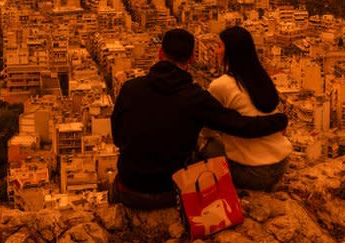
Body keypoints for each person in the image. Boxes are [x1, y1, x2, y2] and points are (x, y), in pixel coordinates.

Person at [110, 28, 289, 209]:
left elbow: (118, 138)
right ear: (192, 59)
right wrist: (279, 120)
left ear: (160, 53)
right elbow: (242, 126)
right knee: (200, 147)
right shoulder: (196, 98)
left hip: (129, 190)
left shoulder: (129, 89)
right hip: (173, 192)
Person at [202, 26, 292, 191]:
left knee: (204, 144)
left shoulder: (220, 85)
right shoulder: (262, 78)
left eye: (220, 46)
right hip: (280, 166)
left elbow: (206, 131)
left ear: (231, 52)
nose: (216, 51)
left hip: (253, 175)